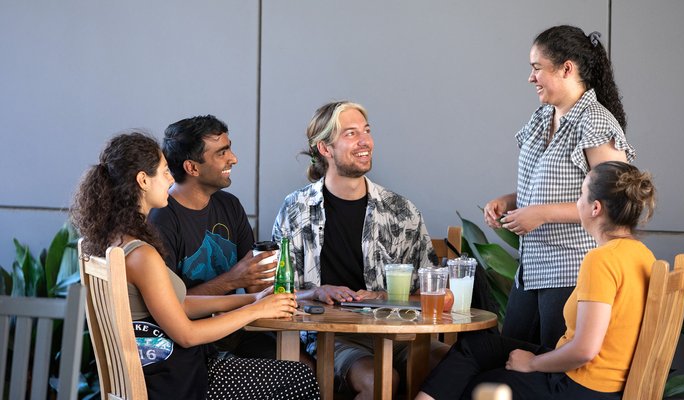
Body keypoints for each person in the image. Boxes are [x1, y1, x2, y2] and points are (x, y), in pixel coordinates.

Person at [71, 132, 320, 400]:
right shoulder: (142, 255)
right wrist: (255, 311)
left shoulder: (117, 242)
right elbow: (187, 334)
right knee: (299, 378)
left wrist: (252, 300)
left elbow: (177, 306)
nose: (171, 178)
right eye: (165, 171)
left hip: (162, 374)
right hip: (177, 382)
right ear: (143, 180)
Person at [417, 161, 657, 400]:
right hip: (599, 382)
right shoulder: (643, 254)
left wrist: (533, 363)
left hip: (581, 385)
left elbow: (585, 350)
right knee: (478, 346)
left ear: (595, 208)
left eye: (581, 194)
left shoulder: (601, 260)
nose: (577, 202)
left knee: (479, 386)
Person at [272, 100, 443, 399]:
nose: (365, 141)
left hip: (398, 332)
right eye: (351, 133)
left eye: (366, 131)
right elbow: (274, 294)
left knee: (454, 364)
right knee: (380, 380)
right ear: (325, 149)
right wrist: (316, 291)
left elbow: (431, 293)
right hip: (332, 336)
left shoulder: (401, 210)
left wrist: (384, 297)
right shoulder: (295, 210)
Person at [483, 25, 636, 348]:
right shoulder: (542, 117)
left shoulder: (594, 122)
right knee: (509, 362)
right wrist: (511, 201)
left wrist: (543, 213)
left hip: (572, 270)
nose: (530, 77)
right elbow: (550, 184)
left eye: (537, 68)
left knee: (547, 373)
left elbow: (615, 202)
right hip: (533, 269)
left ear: (567, 68)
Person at [147, 115, 282, 360]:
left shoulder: (230, 206)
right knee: (296, 377)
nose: (234, 158)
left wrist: (309, 292)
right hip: (190, 349)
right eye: (222, 153)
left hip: (237, 332)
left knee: (304, 368)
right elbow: (169, 307)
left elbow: (255, 286)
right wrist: (230, 281)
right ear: (192, 167)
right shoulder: (162, 219)